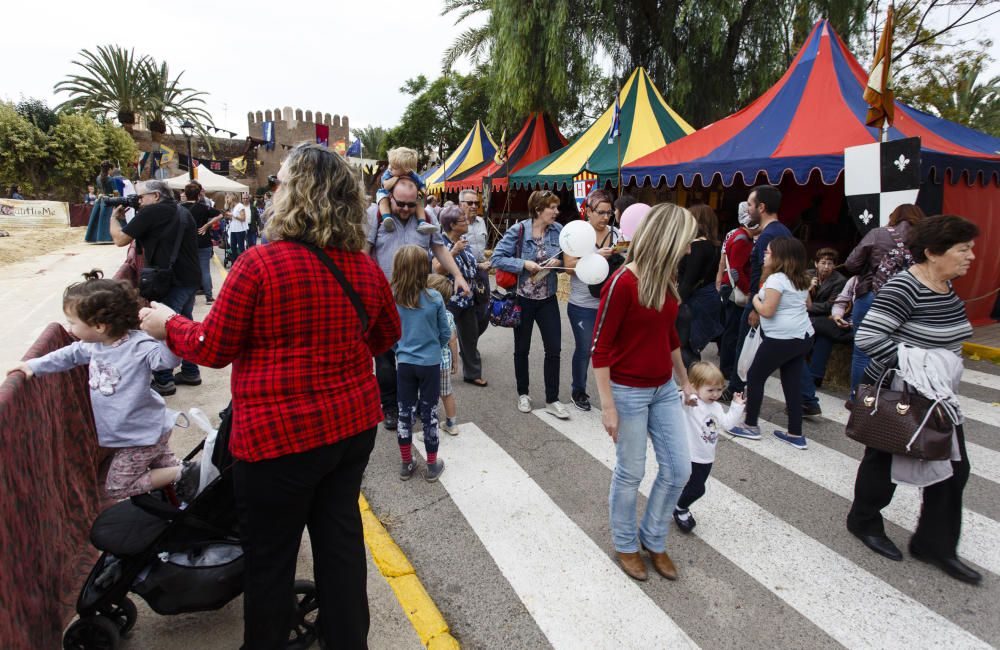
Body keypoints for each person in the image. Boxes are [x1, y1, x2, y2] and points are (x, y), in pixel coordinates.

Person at [139, 142, 401, 647]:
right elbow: (385, 336)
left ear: (294, 195)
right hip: (349, 429)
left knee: (271, 560)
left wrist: (166, 325)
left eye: (280, 181)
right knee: (341, 546)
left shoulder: (260, 265)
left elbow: (212, 347)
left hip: (277, 440)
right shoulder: (364, 268)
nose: (275, 189)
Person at [847, 214, 980, 584]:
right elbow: (869, 338)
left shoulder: (947, 287)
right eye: (963, 249)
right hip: (900, 393)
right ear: (933, 253)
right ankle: (863, 521)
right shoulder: (904, 287)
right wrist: (919, 365)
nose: (970, 256)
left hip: (937, 397)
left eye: (971, 249)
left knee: (955, 467)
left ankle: (934, 544)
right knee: (882, 462)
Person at [7, 270, 198, 501]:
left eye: (72, 323)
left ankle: (183, 473)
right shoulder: (93, 346)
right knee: (165, 469)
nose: (69, 329)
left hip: (142, 434)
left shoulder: (138, 345)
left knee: (117, 488)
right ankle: (190, 488)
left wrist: (164, 335)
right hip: (135, 432)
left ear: (99, 326)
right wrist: (33, 366)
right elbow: (67, 355)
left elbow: (166, 362)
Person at [591, 202, 698, 582]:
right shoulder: (622, 283)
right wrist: (607, 408)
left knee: (679, 469)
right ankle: (625, 544)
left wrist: (684, 380)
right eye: (686, 241)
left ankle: (653, 538)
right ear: (669, 240)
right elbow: (600, 349)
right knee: (631, 471)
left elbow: (668, 335)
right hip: (628, 391)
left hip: (663, 389)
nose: (690, 249)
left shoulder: (666, 278)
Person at [366, 177, 470, 431]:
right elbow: (364, 251)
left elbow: (439, 249)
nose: (405, 210)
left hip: (418, 299)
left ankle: (424, 404)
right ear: (389, 197)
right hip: (385, 298)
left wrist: (457, 275)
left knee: (421, 355)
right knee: (386, 360)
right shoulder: (375, 215)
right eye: (400, 204)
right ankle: (391, 407)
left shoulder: (427, 217)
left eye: (410, 205)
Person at [109, 179, 201, 396]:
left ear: (156, 196)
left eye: (141, 197)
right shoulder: (181, 211)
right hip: (188, 279)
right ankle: (190, 371)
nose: (138, 202)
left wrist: (114, 217)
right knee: (184, 324)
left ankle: (164, 379)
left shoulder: (152, 213)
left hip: (168, 281)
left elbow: (120, 239)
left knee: (161, 327)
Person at [729, 237, 814, 450]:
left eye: (768, 252)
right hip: (803, 336)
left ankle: (750, 425)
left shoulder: (776, 279)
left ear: (780, 256)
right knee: (792, 383)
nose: (764, 255)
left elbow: (767, 310)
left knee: (755, 376)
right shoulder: (800, 279)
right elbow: (808, 305)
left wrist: (756, 298)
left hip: (781, 338)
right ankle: (795, 433)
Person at [491, 189, 569, 419]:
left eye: (556, 207)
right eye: (552, 208)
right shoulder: (519, 230)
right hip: (523, 299)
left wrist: (560, 260)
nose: (556, 211)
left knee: (554, 349)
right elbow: (496, 257)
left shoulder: (559, 230)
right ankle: (523, 394)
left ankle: (552, 399)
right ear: (538, 210)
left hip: (548, 299)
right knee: (521, 349)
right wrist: (523, 263)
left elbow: (570, 256)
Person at [843, 204, 925, 403]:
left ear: (894, 217)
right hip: (908, 300)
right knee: (900, 351)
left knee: (862, 350)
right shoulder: (925, 238)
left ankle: (859, 399)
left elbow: (851, 264)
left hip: (873, 294)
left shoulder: (878, 233)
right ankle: (891, 399)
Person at [392, 245, 451, 482]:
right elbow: (445, 333)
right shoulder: (434, 297)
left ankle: (406, 462)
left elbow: (391, 333)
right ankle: (431, 464)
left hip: (404, 363)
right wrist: (434, 347)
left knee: (404, 413)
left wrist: (400, 350)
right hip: (430, 364)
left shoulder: (394, 297)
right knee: (429, 413)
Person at [673, 362, 745, 533]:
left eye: (719, 390)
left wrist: (737, 406)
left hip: (706, 457)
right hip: (690, 454)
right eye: (710, 390)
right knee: (698, 488)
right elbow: (679, 398)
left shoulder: (717, 407)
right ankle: (680, 508)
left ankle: (677, 502)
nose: (715, 394)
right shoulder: (692, 402)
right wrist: (685, 392)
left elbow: (727, 424)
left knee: (691, 485)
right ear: (695, 387)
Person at [564, 189, 620, 411]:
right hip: (582, 304)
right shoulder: (576, 233)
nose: (605, 218)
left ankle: (617, 391)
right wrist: (595, 257)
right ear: (588, 211)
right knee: (585, 348)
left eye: (609, 213)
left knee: (613, 349)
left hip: (611, 301)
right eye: (600, 212)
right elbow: (568, 267)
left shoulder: (616, 233)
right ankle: (578, 390)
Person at [433, 204, 487, 387]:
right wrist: (453, 251)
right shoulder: (441, 243)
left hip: (468, 297)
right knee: (443, 335)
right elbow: (437, 270)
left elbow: (469, 264)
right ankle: (436, 372)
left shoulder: (463, 240)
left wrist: (480, 266)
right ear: (451, 225)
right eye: (462, 221)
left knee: (470, 337)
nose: (466, 223)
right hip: (450, 299)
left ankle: (472, 373)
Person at [716, 202, 757, 395]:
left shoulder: (735, 235)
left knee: (730, 330)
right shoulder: (742, 240)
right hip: (735, 289)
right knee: (732, 331)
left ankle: (727, 365)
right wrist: (749, 291)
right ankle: (727, 367)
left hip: (730, 286)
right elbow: (737, 271)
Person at [676, 204, 722, 369]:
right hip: (708, 296)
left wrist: (676, 301)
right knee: (692, 342)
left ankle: (695, 383)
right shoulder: (714, 245)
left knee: (686, 344)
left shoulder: (696, 247)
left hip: (694, 299)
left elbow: (689, 280)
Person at [808, 275, 857, 388]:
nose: (826, 267)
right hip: (842, 321)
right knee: (826, 332)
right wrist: (837, 316)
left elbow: (826, 306)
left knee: (822, 327)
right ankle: (814, 376)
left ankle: (814, 376)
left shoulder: (839, 280)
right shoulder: (854, 280)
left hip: (863, 326)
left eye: (829, 263)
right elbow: (840, 302)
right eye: (823, 262)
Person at [427, 274, 461, 435]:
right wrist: (456, 362)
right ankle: (451, 424)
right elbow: (452, 341)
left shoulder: (423, 314)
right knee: (447, 394)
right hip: (444, 362)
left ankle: (431, 428)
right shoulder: (448, 316)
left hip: (427, 362)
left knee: (429, 397)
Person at [377, 147, 437, 235]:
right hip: (386, 193)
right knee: (383, 200)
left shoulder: (411, 174)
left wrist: (423, 190)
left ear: (405, 169)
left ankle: (422, 222)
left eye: (395, 167)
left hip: (410, 196)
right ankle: (386, 217)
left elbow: (420, 183)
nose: (391, 168)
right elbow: (386, 186)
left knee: (418, 202)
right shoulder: (389, 172)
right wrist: (397, 177)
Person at [181, 182, 223, 305]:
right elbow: (220, 214)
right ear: (198, 195)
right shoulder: (204, 208)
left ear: (186, 194)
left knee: (187, 270)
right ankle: (209, 297)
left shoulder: (180, 208)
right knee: (205, 270)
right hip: (203, 242)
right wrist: (207, 225)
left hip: (187, 243)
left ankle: (189, 296)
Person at [459, 189, 492, 335]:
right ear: (461, 204)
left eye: (476, 203)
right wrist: (478, 265)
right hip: (463, 274)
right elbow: (454, 255)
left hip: (482, 273)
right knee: (466, 313)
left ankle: (472, 342)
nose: (474, 206)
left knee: (484, 312)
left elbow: (484, 247)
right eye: (470, 203)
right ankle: (469, 348)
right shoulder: (455, 223)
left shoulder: (481, 222)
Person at [225, 193, 250, 259]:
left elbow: (243, 218)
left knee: (241, 248)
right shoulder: (233, 207)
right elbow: (233, 218)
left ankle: (244, 263)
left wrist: (232, 215)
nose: (227, 200)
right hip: (233, 230)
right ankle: (234, 263)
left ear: (232, 198)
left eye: (228, 198)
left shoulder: (240, 206)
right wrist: (228, 216)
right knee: (233, 248)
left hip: (240, 230)